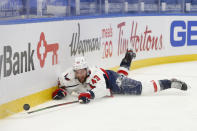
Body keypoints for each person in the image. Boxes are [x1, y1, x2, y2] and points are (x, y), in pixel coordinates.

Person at [52, 49, 189, 104]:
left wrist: (89, 95)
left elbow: (100, 89)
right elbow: (64, 85)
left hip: (111, 80)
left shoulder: (95, 75)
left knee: (141, 88)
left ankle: (170, 83)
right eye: (77, 71)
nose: (80, 74)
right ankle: (128, 58)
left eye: (82, 71)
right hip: (109, 79)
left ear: (86, 69)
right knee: (123, 75)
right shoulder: (68, 75)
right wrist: (62, 91)